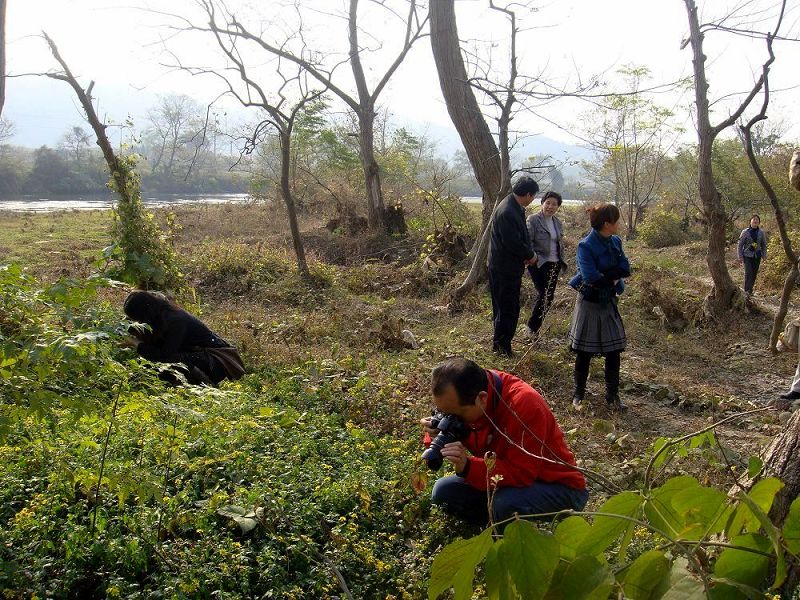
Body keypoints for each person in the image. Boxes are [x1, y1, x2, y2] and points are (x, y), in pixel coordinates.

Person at [421, 357, 588, 525]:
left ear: (482, 398)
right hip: (506, 481)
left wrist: (468, 467)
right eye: (443, 412)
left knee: (504, 503)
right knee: (444, 492)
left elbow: (522, 473)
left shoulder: (524, 404)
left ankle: (504, 535)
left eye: (456, 415)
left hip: (558, 487)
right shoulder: (473, 393)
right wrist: (436, 432)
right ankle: (498, 521)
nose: (450, 419)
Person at [568, 203, 631, 411]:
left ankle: (612, 395)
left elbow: (625, 268)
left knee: (614, 350)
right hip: (590, 302)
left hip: (609, 300)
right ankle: (578, 394)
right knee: (584, 351)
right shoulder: (585, 245)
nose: (618, 224)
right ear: (607, 224)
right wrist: (611, 275)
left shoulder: (615, 241)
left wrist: (609, 276)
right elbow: (590, 277)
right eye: (616, 221)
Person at [123, 290, 245, 386]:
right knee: (146, 366)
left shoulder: (175, 321)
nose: (137, 322)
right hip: (198, 356)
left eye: (137, 319)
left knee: (171, 361)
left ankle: (205, 384)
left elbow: (164, 356)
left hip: (216, 362)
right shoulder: (160, 315)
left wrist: (137, 344)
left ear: (145, 314)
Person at [488, 176, 539, 356]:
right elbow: (513, 242)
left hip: (507, 266)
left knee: (505, 307)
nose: (532, 199)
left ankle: (500, 344)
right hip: (504, 268)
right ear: (527, 194)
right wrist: (530, 255)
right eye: (533, 196)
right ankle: (502, 347)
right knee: (507, 308)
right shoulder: (507, 211)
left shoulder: (513, 205)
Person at [525, 190, 568, 338]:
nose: (550, 206)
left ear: (558, 207)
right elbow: (527, 241)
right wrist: (533, 257)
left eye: (554, 204)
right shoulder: (533, 220)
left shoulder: (557, 222)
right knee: (544, 294)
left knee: (548, 297)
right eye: (548, 203)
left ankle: (534, 328)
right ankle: (531, 328)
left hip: (554, 263)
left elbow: (560, 243)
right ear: (542, 203)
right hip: (538, 262)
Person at [737, 214, 767, 297]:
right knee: (748, 272)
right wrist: (740, 256)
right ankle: (746, 291)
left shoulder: (761, 232)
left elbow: (764, 245)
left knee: (754, 273)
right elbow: (740, 245)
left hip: (757, 256)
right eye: (754, 219)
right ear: (750, 221)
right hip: (747, 255)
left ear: (759, 222)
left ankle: (750, 290)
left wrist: (764, 255)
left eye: (757, 220)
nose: (755, 221)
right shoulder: (745, 232)